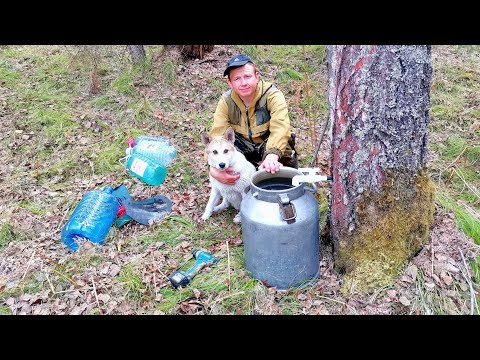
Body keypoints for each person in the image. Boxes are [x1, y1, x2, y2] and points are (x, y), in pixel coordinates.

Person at [208, 53, 298, 185]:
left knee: (285, 148)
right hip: (243, 148)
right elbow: (216, 136)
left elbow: (281, 127)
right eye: (237, 79)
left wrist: (272, 155)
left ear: (256, 76)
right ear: (230, 83)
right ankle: (241, 184)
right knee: (225, 148)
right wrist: (212, 169)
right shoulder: (226, 101)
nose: (243, 83)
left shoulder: (272, 95)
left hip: (268, 145)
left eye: (247, 76)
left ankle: (282, 181)